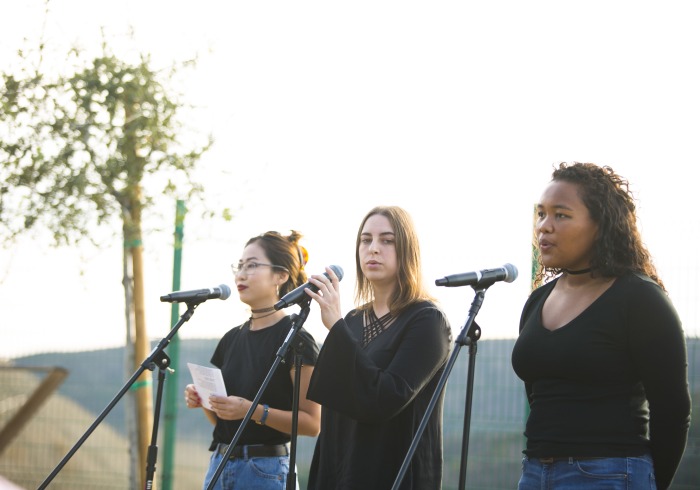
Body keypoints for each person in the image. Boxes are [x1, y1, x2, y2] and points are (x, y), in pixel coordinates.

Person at [511, 162, 691, 490]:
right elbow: (539, 396)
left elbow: (672, 411)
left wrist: (649, 483)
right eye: (541, 214)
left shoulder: (639, 299)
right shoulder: (538, 300)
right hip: (535, 473)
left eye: (561, 215)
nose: (544, 227)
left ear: (601, 224)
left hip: (610, 474)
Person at [303, 205, 453, 490]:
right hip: (341, 472)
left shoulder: (427, 320)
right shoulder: (352, 320)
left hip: (394, 475)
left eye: (387, 240)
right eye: (365, 239)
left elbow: (386, 397)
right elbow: (333, 407)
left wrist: (336, 328)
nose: (373, 249)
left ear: (407, 250)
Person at [184, 230, 321, 490]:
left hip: (265, 470)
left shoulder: (296, 338)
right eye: (240, 266)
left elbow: (312, 424)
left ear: (280, 276)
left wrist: (252, 410)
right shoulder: (230, 339)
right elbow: (225, 421)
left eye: (253, 265)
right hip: (219, 464)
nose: (241, 274)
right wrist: (206, 401)